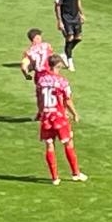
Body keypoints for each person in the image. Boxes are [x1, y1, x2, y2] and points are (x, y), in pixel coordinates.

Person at [35, 54, 86, 185]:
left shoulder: (41, 81)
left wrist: (40, 112)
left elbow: (39, 99)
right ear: (58, 65)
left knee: (49, 145)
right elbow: (67, 100)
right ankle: (76, 173)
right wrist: (74, 114)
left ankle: (55, 177)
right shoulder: (62, 82)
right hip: (59, 117)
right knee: (68, 143)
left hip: (46, 116)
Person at [54, 0, 86, 70]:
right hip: (66, 18)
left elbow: (78, 0)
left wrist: (82, 14)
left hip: (75, 17)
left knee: (78, 38)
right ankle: (69, 62)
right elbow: (57, 5)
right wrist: (59, 21)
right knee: (70, 37)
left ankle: (65, 54)